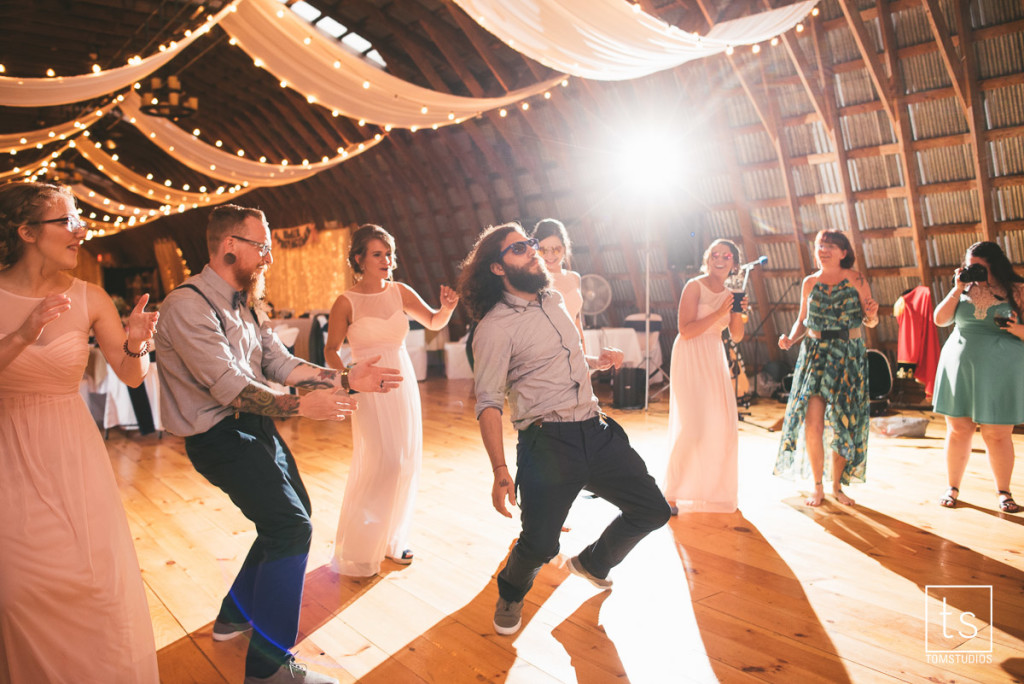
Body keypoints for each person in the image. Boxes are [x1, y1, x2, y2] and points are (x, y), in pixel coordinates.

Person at [155, 205, 401, 684]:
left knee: (291, 516)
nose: (268, 257)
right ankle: (268, 670)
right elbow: (227, 386)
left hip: (253, 425)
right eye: (261, 246)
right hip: (218, 436)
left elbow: (277, 360)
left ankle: (232, 616)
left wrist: (346, 378)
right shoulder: (187, 304)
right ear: (230, 246)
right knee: (290, 527)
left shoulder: (243, 300)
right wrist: (298, 407)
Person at [457, 222, 671, 637]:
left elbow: (561, 357)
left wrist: (594, 361)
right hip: (548, 442)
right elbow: (488, 403)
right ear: (498, 268)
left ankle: (593, 562)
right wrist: (500, 469)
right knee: (540, 545)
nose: (533, 251)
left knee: (653, 510)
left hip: (595, 428)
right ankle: (511, 591)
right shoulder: (494, 328)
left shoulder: (553, 299)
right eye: (520, 248)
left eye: (531, 244)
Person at [0, 181, 160, 682]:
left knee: (96, 584)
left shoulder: (90, 298)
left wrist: (136, 343)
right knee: (17, 590)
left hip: (72, 451)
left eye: (79, 219)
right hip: (8, 449)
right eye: (65, 221)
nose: (80, 231)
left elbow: (131, 376)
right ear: (26, 231)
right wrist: (23, 334)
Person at [324, 224, 459, 576]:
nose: (387, 260)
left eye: (389, 254)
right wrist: (347, 380)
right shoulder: (345, 302)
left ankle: (392, 540)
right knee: (382, 461)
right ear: (359, 259)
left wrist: (446, 309)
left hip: (402, 384)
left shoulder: (400, 291)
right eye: (378, 254)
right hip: (368, 386)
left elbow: (432, 321)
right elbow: (330, 349)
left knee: (405, 460)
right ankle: (360, 546)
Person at [774, 229, 879, 507]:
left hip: (848, 356)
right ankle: (817, 487)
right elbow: (802, 321)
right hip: (814, 356)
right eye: (820, 246)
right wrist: (789, 338)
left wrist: (871, 314)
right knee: (814, 424)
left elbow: (870, 322)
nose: (823, 250)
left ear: (844, 252)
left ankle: (836, 487)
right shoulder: (809, 282)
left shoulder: (857, 279)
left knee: (844, 422)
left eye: (830, 246)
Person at [932, 241, 1024, 513]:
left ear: (994, 264)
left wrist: (1016, 328)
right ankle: (952, 487)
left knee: (997, 435)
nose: (974, 270)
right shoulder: (963, 288)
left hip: (1000, 370)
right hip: (960, 366)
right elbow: (940, 320)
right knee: (959, 431)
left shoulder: (1018, 290)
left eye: (979, 266)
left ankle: (1004, 493)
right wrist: (957, 287)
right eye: (969, 265)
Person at [665, 239, 747, 513]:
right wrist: (718, 313)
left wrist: (736, 310)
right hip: (689, 354)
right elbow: (685, 330)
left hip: (714, 357)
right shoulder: (694, 286)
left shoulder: (731, 293)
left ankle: (712, 491)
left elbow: (735, 336)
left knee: (721, 425)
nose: (720, 259)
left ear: (734, 263)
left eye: (726, 255)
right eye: (715, 254)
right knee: (694, 425)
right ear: (707, 258)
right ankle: (671, 493)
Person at [531, 218, 585, 347]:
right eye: (543, 250)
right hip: (548, 351)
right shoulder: (535, 280)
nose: (549, 256)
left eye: (555, 249)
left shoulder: (574, 277)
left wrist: (585, 357)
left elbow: (577, 321)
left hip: (574, 350)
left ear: (564, 248)